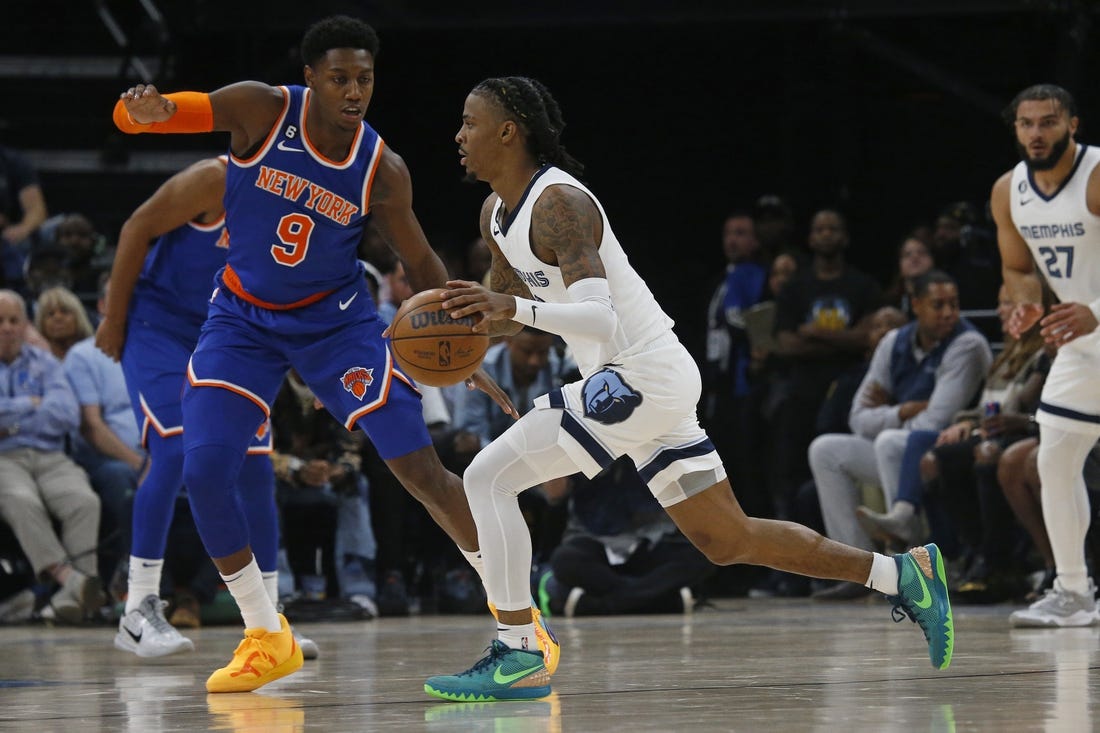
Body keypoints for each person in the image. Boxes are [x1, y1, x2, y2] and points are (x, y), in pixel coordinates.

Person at [424, 75, 954, 703]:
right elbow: (508, 306)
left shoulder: (560, 203)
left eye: (469, 122)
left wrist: (505, 312)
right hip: (635, 382)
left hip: (639, 373)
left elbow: (599, 319)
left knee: (488, 477)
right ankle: (904, 575)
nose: (458, 136)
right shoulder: (495, 215)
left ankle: (517, 651)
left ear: (509, 131)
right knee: (728, 539)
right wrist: (462, 350)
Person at [110, 16, 554, 693]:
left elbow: (421, 260)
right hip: (243, 320)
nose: (354, 91)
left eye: (365, 79)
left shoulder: (382, 169)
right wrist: (141, 111)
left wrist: (470, 354)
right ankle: (266, 634)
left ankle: (521, 625)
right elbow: (171, 113)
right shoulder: (262, 109)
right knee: (204, 468)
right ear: (311, 76)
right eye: (340, 77)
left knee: (421, 470)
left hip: (335, 324)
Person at [95, 157, 314, 660]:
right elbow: (136, 226)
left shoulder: (308, 201)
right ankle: (138, 608)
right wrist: (114, 316)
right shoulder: (216, 179)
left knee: (256, 469)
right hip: (158, 329)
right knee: (174, 453)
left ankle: (268, 620)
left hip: (230, 335)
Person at [991, 83, 1100, 627]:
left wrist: (1097, 310)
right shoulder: (1009, 190)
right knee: (1054, 457)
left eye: (1049, 122)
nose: (1037, 133)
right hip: (1080, 345)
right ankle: (1075, 592)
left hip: (1094, 321)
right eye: (1026, 124)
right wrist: (1025, 306)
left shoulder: (1097, 176)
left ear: (1073, 125)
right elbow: (1017, 268)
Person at [0, 289, 105, 623]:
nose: (6, 328)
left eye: (14, 320)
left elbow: (66, 415)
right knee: (20, 499)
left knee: (83, 500)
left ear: (25, 324)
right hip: (5, 459)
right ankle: (72, 581)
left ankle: (70, 600)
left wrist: (10, 420)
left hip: (50, 455)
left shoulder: (44, 361)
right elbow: (49, 411)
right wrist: (31, 405)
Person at [0, 145, 48, 290]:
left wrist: (22, 230)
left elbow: (37, 210)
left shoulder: (12, 161)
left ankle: (23, 296)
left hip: (7, 238)